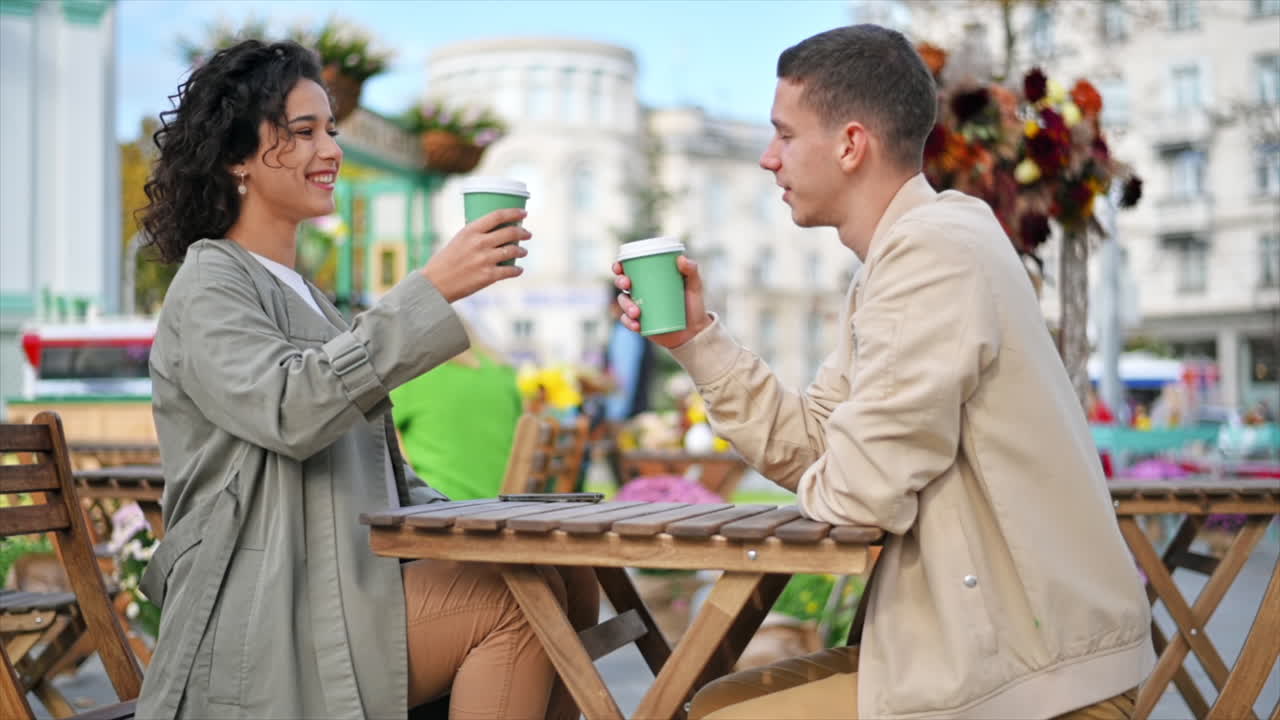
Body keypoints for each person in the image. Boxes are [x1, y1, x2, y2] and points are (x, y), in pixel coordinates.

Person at [613, 25, 1152, 720]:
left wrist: (846, 468)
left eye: (783, 135)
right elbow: (817, 448)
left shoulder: (934, 255)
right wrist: (696, 341)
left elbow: (858, 492)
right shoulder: (904, 258)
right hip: (976, 651)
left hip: (1035, 676)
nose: (766, 159)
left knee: (712, 715)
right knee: (712, 701)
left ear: (850, 144)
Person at [135, 39, 589, 719]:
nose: (331, 150)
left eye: (332, 130)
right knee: (513, 606)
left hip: (341, 589)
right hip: (264, 616)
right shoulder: (212, 282)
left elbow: (376, 471)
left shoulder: (312, 299)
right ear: (237, 158)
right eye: (303, 132)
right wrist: (431, 288)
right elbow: (291, 409)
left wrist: (497, 522)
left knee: (561, 580)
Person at [391, 314, 523, 500]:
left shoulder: (417, 374)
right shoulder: (502, 374)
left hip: (439, 504)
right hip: (499, 504)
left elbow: (379, 433)